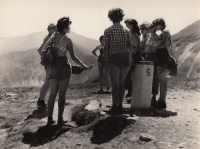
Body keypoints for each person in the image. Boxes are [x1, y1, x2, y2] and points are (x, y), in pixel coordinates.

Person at [43, 17, 90, 126]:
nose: (69, 28)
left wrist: (51, 40)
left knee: (52, 94)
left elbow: (43, 50)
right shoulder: (67, 40)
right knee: (62, 95)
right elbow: (73, 57)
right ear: (64, 28)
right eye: (68, 26)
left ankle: (49, 119)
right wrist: (84, 66)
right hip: (63, 67)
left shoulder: (53, 38)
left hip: (53, 67)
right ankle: (60, 119)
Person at [104, 8, 132, 114]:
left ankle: (114, 105)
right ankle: (120, 104)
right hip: (126, 57)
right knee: (122, 83)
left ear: (111, 18)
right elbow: (129, 45)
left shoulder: (108, 31)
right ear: (121, 17)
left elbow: (106, 47)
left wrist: (106, 59)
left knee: (115, 84)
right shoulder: (127, 31)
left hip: (114, 56)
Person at [37, 23, 57, 109]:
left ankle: (41, 100)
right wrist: (45, 58)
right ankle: (41, 101)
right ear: (49, 30)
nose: (55, 30)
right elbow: (40, 50)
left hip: (53, 63)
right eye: (53, 29)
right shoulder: (47, 38)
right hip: (49, 64)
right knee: (47, 83)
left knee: (48, 83)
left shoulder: (53, 37)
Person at [152, 18, 171, 109]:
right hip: (162, 56)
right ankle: (161, 100)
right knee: (162, 80)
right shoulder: (165, 32)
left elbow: (163, 44)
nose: (155, 27)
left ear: (160, 24)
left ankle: (162, 101)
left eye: (156, 25)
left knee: (162, 80)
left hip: (161, 56)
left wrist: (153, 46)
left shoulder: (165, 32)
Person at [124, 19, 141, 99]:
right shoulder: (136, 34)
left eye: (127, 24)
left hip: (132, 55)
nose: (126, 25)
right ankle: (131, 92)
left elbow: (133, 48)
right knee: (131, 74)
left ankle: (130, 92)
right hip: (135, 55)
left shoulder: (132, 35)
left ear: (131, 25)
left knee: (128, 74)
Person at [145, 23, 159, 107]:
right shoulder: (149, 36)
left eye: (150, 28)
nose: (149, 29)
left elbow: (155, 46)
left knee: (154, 76)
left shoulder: (156, 36)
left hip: (153, 55)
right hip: (148, 55)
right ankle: (147, 94)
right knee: (147, 74)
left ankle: (153, 95)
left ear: (154, 28)